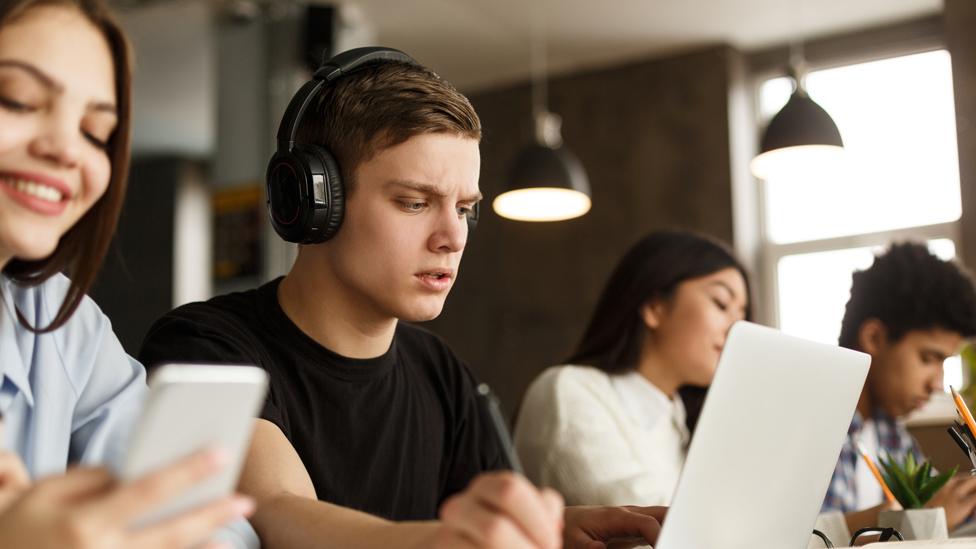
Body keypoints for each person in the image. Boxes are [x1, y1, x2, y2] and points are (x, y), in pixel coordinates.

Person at [139, 48, 666, 549]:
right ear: (316, 201)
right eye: (415, 203)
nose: (453, 237)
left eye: (464, 208)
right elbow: (277, 509)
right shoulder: (206, 348)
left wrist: (552, 531)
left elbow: (483, 525)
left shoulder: (441, 374)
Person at [0, 1, 254, 547]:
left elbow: (218, 525)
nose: (67, 149)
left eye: (96, 132)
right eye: (17, 99)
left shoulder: (61, 320)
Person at [513, 230, 750, 507]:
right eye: (721, 303)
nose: (738, 328)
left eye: (742, 313)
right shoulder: (568, 390)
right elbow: (647, 529)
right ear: (654, 306)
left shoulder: (680, 421)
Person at [819, 242, 976, 535]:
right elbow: (804, 539)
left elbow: (939, 509)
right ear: (874, 337)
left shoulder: (892, 435)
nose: (937, 383)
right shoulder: (817, 430)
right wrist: (921, 518)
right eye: (928, 358)